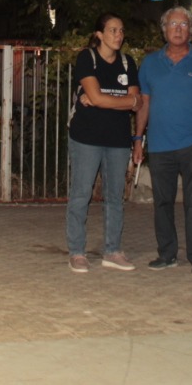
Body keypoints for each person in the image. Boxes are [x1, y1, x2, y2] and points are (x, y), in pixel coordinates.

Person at [136, 6, 192, 275]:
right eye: (173, 24)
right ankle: (167, 253)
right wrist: (138, 139)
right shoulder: (150, 63)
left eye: (184, 25)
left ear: (191, 30)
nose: (178, 29)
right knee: (162, 203)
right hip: (160, 145)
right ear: (164, 30)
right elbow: (144, 105)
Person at [64, 14, 142, 272]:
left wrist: (101, 99)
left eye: (121, 30)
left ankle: (113, 250)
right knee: (81, 194)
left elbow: (137, 102)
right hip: (87, 138)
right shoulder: (87, 58)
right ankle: (77, 252)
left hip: (118, 139)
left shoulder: (128, 62)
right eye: (112, 30)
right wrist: (121, 101)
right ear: (99, 34)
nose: (119, 35)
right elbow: (110, 99)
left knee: (115, 197)